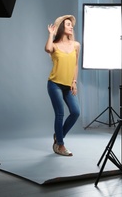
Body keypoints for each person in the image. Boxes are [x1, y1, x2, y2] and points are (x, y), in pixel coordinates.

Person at [45, 15, 81, 157]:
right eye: (68, 24)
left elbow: (76, 64)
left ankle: (58, 136)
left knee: (75, 112)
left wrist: (74, 82)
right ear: (61, 28)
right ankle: (60, 145)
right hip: (54, 84)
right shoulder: (54, 45)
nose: (71, 26)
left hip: (68, 85)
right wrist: (51, 34)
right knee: (60, 113)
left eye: (71, 25)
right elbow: (48, 49)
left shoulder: (76, 45)